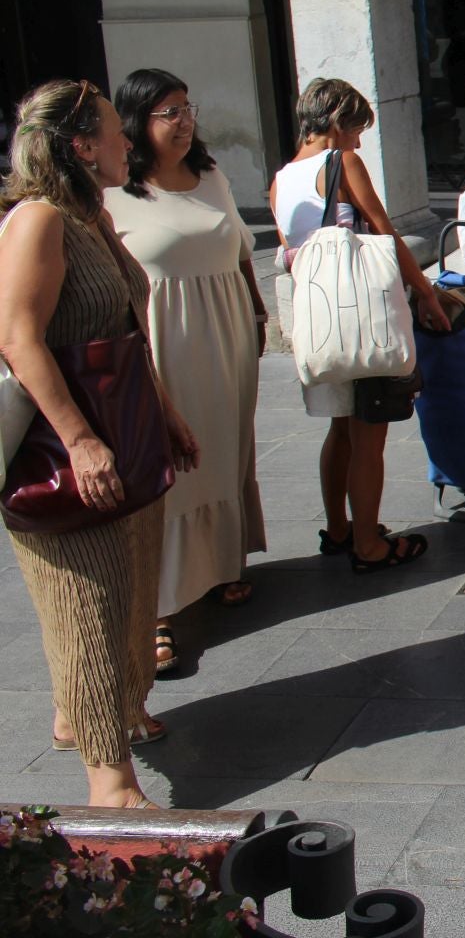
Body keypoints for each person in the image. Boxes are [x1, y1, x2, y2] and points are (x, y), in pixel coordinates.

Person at [0, 79, 201, 808]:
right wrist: (81, 442)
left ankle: (95, 714)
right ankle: (109, 783)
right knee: (87, 608)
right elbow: (19, 339)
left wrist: (166, 414)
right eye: (116, 130)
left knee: (131, 593)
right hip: (66, 448)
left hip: (127, 429)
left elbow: (126, 328)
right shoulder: (38, 221)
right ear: (81, 146)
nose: (128, 141)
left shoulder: (91, 216)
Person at [105, 69, 269, 678]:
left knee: (226, 450)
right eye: (168, 112)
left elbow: (241, 252)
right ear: (136, 121)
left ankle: (221, 564)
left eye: (186, 108)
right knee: (169, 464)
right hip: (164, 341)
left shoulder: (212, 175)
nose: (184, 120)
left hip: (227, 331)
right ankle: (158, 607)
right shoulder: (114, 192)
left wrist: (258, 312)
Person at [270, 78, 452, 570]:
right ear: (336, 123)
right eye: (356, 130)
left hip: (321, 322)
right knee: (370, 435)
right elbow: (385, 233)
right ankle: (369, 545)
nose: (358, 143)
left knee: (340, 431)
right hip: (362, 318)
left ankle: (338, 529)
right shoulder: (341, 163)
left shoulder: (281, 180)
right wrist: (426, 291)